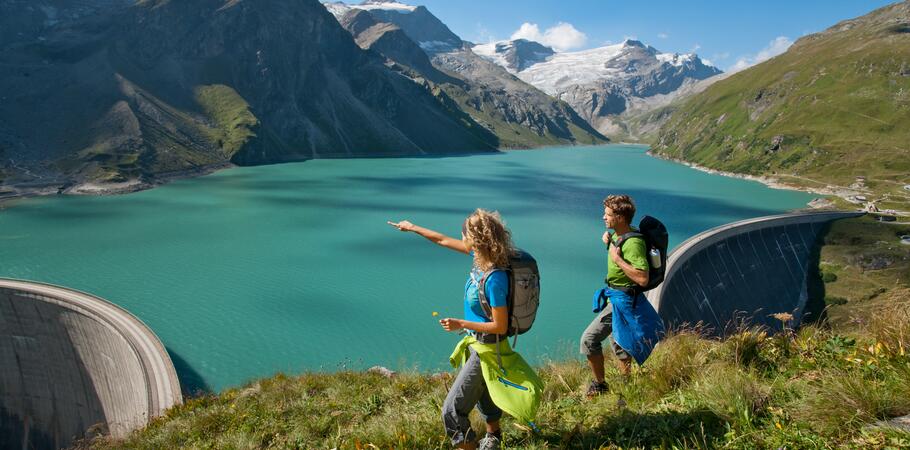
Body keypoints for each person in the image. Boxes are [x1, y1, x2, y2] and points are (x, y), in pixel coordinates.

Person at [388, 209, 513, 450]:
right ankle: (494, 436)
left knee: (452, 411)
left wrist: (461, 324)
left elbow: (501, 325)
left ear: (476, 239)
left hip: (487, 347)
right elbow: (442, 240)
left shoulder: (495, 277)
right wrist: (413, 227)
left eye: (464, 233)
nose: (461, 236)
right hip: (480, 344)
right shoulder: (480, 258)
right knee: (485, 392)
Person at [580, 194, 663, 398]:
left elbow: (642, 278)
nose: (603, 217)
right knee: (619, 342)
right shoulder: (620, 235)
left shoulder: (633, 243)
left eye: (607, 214)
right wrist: (609, 244)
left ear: (621, 217)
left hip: (623, 300)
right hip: (616, 297)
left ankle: (601, 385)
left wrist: (617, 259)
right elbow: (620, 252)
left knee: (588, 340)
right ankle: (626, 387)